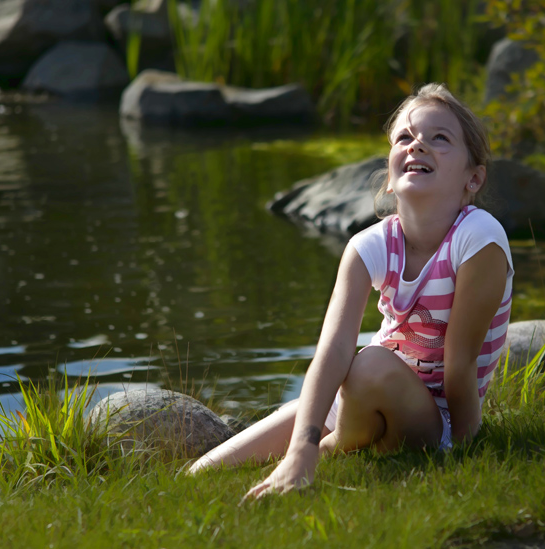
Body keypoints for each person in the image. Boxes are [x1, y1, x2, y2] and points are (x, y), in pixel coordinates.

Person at [188, 83, 514, 498]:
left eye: (440, 138)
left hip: (435, 418)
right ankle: (317, 450)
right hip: (360, 395)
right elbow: (333, 350)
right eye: (405, 137)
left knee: (371, 363)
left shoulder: (479, 237)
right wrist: (300, 443)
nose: (417, 145)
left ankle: (330, 450)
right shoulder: (367, 246)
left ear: (473, 177)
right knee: (203, 474)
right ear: (390, 175)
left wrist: (465, 448)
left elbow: (460, 361)